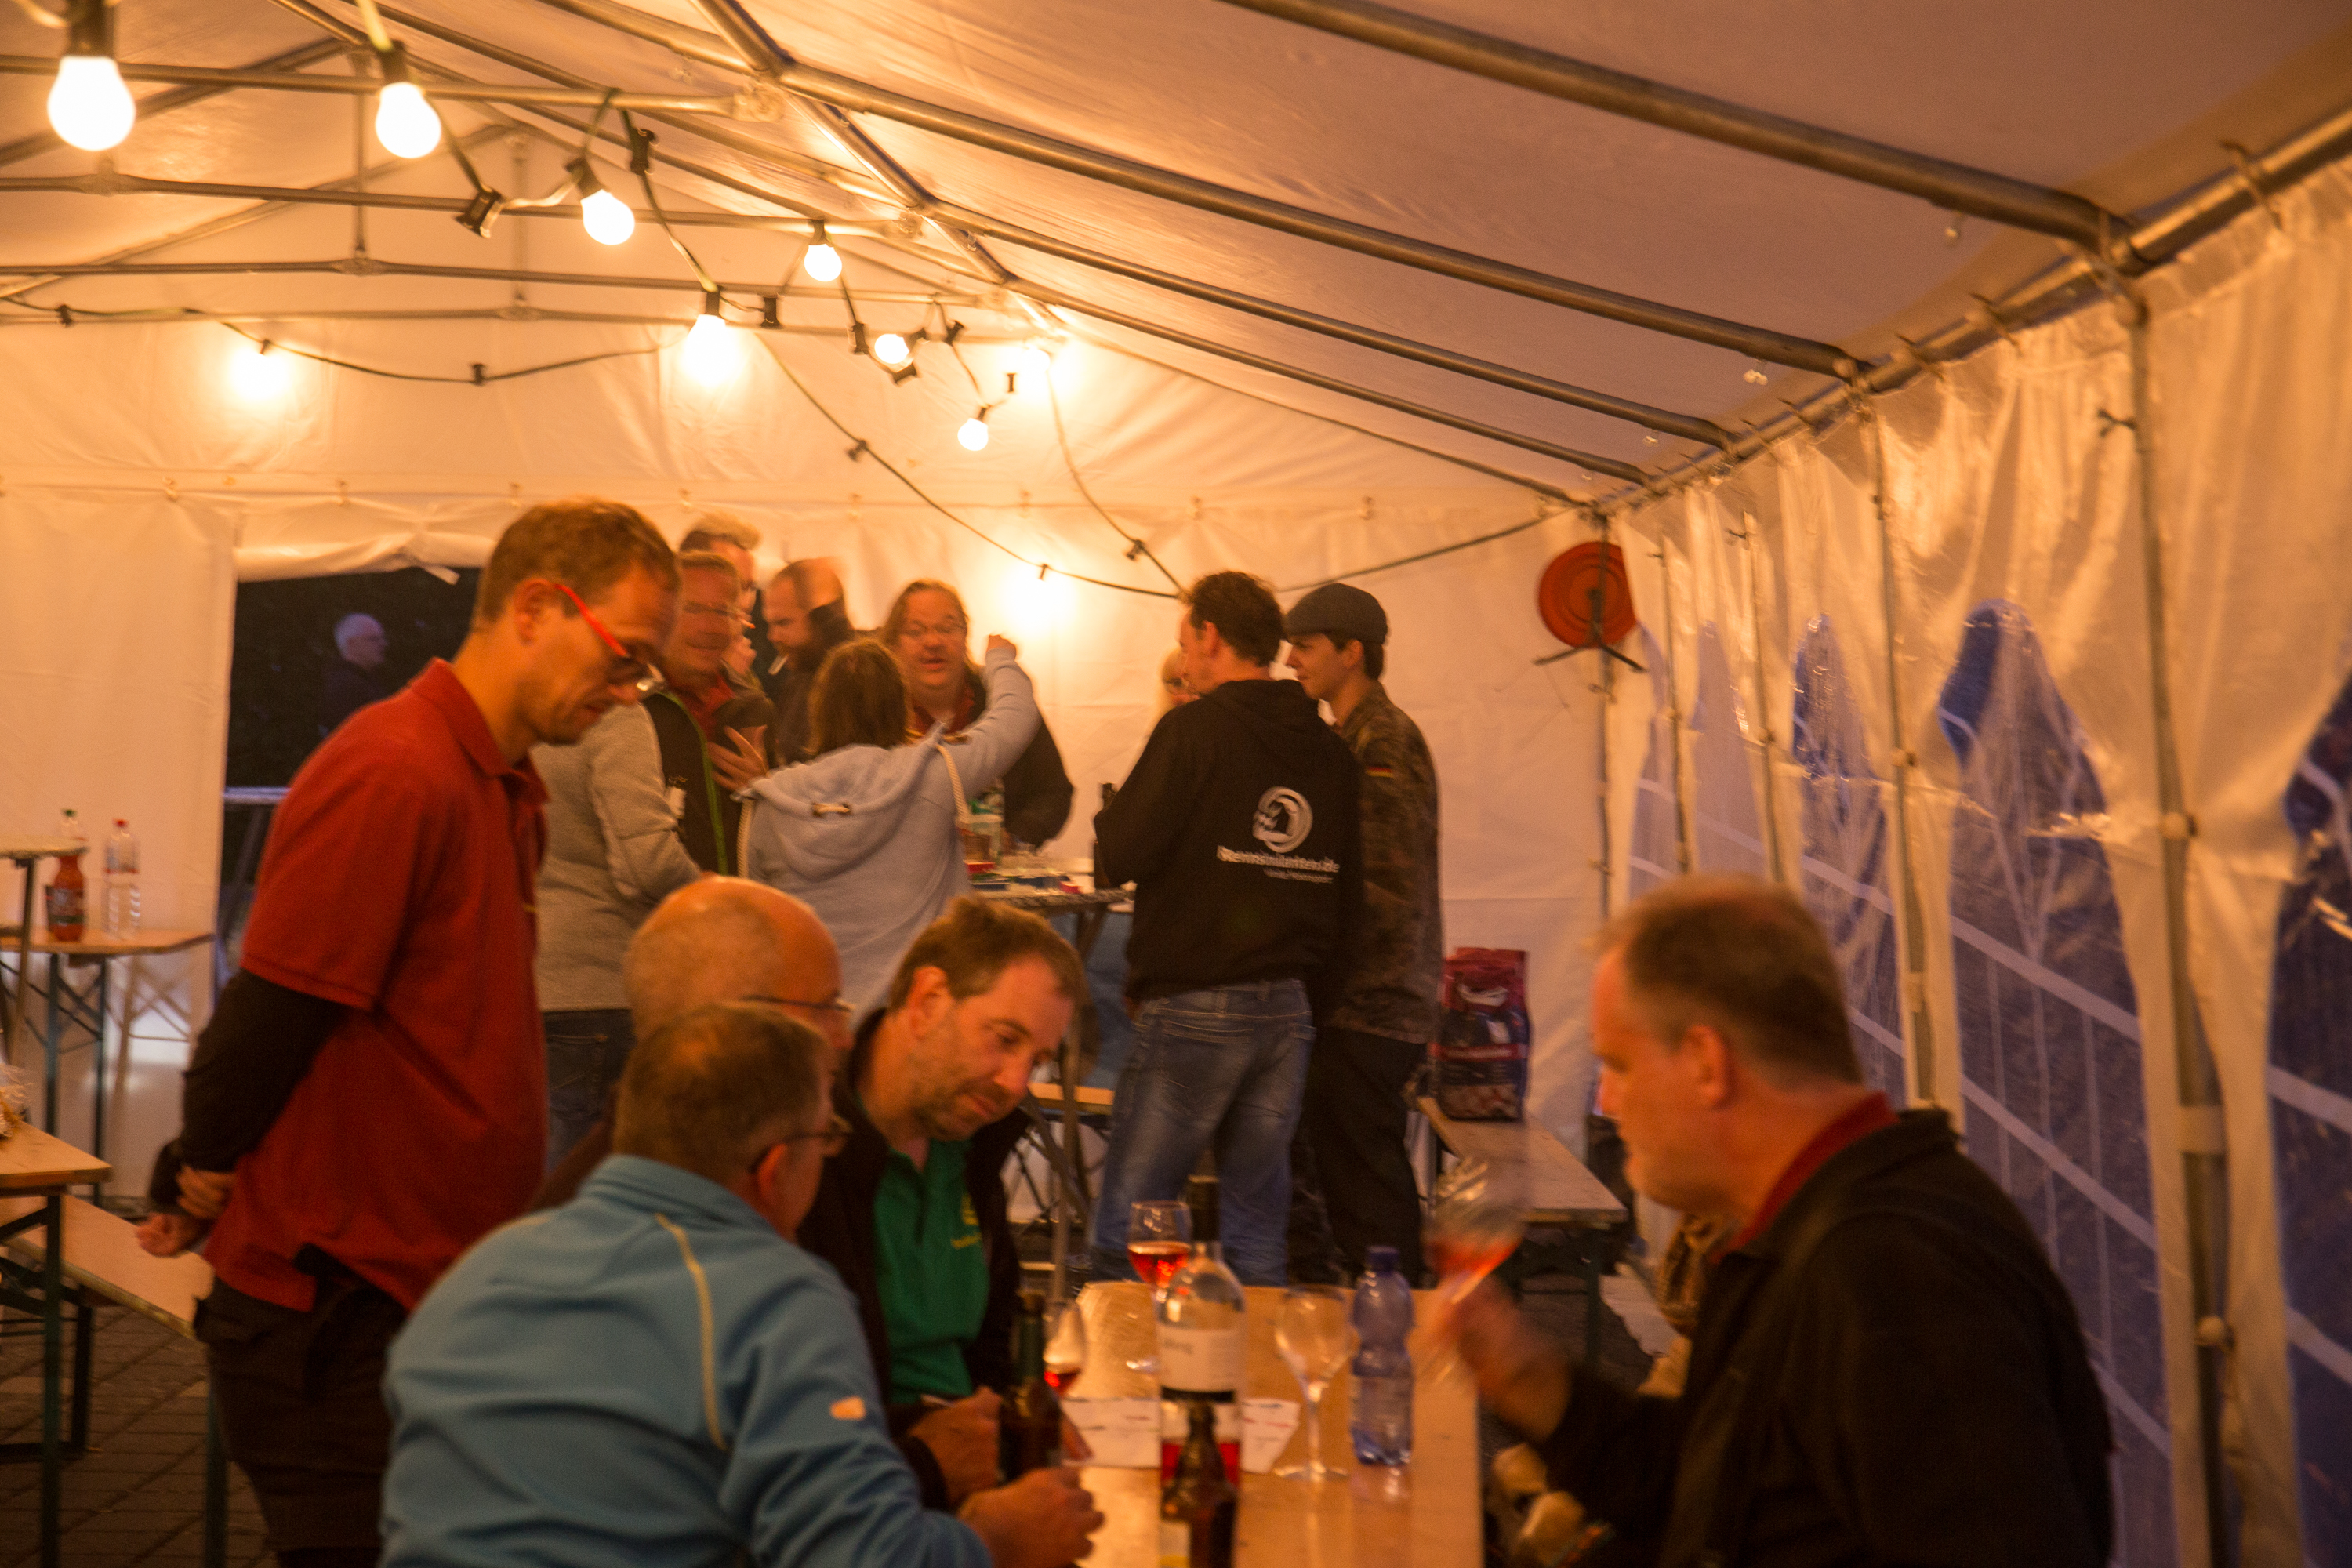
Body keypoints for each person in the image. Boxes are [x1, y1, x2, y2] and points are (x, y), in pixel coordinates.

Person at [136, 497, 681, 1568]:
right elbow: (275, 1009)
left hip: (416, 1305)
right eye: (626, 656)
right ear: (535, 608)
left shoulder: (504, 784)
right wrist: (196, 1163)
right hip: (337, 1319)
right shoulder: (397, 767)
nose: (630, 691)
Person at [1443, 876, 2114, 1566]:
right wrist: (1533, 1383)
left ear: (1707, 1063)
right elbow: (1716, 1495)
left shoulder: (1896, 1274)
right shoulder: (1803, 1228)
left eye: (1618, 1064)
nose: (1607, 1101)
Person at [382, 1003, 1102, 1568]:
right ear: (775, 1168)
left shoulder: (476, 1276)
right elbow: (860, 1558)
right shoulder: (776, 1298)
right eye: (828, 1138)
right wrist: (998, 1540)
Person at [1087, 571, 1362, 1287]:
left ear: (1210, 637)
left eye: (1185, 645)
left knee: (1132, 1227)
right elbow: (1349, 903)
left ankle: (1119, 1359)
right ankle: (1253, 1360)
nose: (1183, 663)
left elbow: (1119, 856)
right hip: (1290, 1012)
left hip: (1196, 1004)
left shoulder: (1194, 730)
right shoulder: (1332, 753)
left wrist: (1113, 816)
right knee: (1256, 1234)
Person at [798, 897, 1087, 1510]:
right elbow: (785, 1426)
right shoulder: (803, 1149)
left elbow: (997, 1348)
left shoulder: (968, 1149)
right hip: (870, 1498)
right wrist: (935, 1460)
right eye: (1003, 1039)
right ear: (928, 1001)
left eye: (1036, 1061)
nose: (1016, 1084)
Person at [742, 637, 1040, 1014]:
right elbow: (1016, 715)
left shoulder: (772, 803)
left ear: (820, 709)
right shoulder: (934, 776)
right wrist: (999, 658)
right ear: (902, 707)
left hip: (815, 1023)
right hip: (915, 1021)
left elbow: (757, 929)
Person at [1283, 583, 1443, 1281]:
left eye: (1306, 646)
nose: (1291, 660)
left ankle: (1401, 1315)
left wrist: (1318, 956)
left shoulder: (1383, 741)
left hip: (1374, 1001)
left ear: (1352, 652)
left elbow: (1385, 883)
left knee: (1369, 1184)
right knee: (1352, 1177)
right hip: (1359, 999)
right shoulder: (1350, 738)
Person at [532, 688, 704, 1167]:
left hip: (527, 984)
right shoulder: (613, 715)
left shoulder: (524, 715)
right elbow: (647, 865)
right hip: (602, 984)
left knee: (544, 1184)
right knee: (600, 1183)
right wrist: (708, 891)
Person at [883, 579, 1073, 849]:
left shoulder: (1002, 699)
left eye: (947, 628)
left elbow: (1054, 792)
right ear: (893, 644)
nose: (933, 642)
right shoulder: (878, 711)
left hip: (995, 867)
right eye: (915, 632)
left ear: (965, 636)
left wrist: (1014, 838)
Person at [645, 550, 771, 874]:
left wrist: (770, 790)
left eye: (723, 611)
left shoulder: (755, 710)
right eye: (693, 609)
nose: (711, 626)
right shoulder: (630, 707)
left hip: (742, 899)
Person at [761, 557, 857, 764]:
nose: (773, 637)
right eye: (771, 624)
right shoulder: (797, 684)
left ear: (823, 618)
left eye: (783, 623)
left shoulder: (860, 686)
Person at [318, 612, 389, 735]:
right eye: (374, 639)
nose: (383, 644)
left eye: (382, 638)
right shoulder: (346, 688)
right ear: (352, 643)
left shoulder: (362, 681)